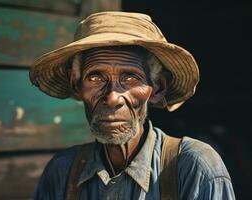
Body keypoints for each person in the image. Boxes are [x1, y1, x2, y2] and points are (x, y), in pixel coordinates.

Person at [30, 11, 235, 200]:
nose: (112, 98)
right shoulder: (62, 171)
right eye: (95, 77)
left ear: (157, 89)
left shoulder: (193, 166)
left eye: (130, 78)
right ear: (77, 87)